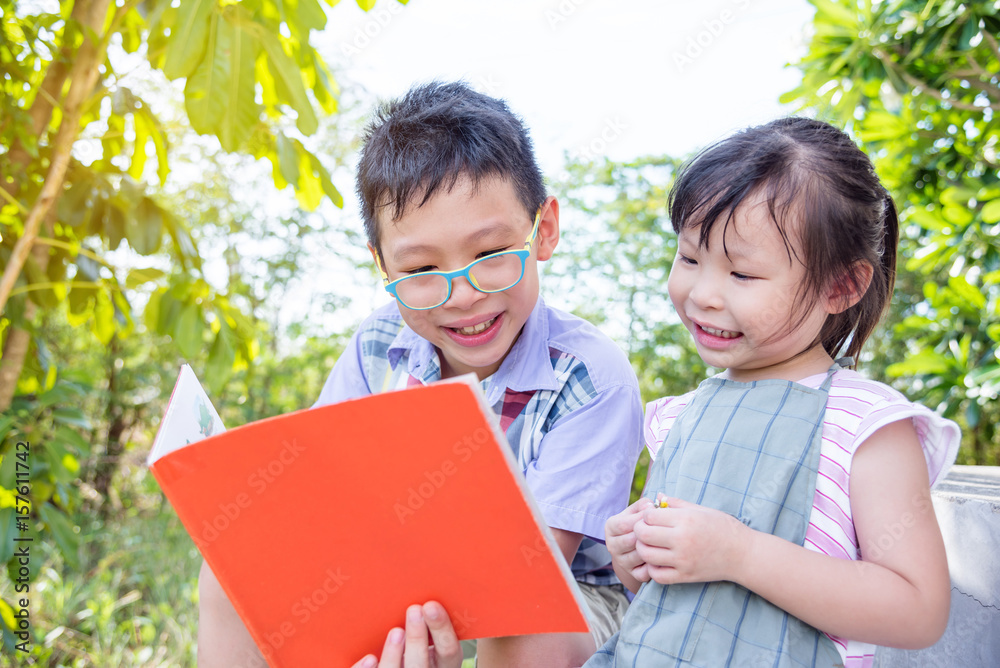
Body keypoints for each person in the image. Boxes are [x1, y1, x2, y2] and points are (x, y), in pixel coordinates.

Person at [197, 81, 643, 668]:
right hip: (391, 566)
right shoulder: (377, 345)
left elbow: (530, 572)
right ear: (382, 265)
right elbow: (323, 489)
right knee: (230, 571)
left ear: (545, 231)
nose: (462, 296)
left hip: (563, 593)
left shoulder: (590, 374)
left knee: (528, 634)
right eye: (422, 268)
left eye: (490, 254)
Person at [587, 117, 961, 667]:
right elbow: (676, 609)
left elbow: (917, 609)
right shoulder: (679, 417)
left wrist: (740, 554)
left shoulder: (866, 424)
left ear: (842, 285)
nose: (704, 294)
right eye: (690, 258)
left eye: (742, 274)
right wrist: (635, 559)